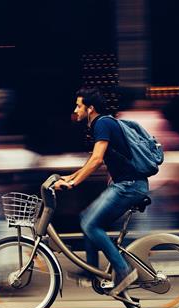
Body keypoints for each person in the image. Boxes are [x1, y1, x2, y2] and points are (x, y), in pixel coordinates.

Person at [54, 87, 149, 297]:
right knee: (86, 218)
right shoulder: (103, 124)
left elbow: (96, 160)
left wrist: (73, 183)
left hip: (129, 185)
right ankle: (91, 271)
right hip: (126, 184)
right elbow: (94, 162)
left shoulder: (102, 123)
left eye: (79, 105)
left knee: (89, 223)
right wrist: (69, 177)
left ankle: (123, 271)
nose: (75, 109)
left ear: (91, 108)